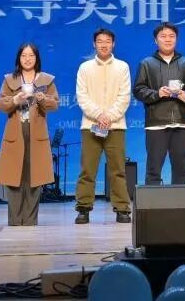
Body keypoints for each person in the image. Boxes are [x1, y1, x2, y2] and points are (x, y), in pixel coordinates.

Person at [133, 22, 185, 186]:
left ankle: (178, 203)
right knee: (153, 170)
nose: (168, 39)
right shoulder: (146, 63)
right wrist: (157, 94)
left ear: (176, 39)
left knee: (181, 171)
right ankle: (152, 203)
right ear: (155, 40)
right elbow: (138, 90)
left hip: (182, 123)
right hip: (156, 124)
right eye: (163, 36)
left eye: (171, 36)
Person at [0, 43, 58, 226]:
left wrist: (43, 99)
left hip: (36, 131)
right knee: (14, 176)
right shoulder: (10, 80)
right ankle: (15, 220)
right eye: (24, 55)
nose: (28, 59)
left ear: (37, 58)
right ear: (19, 58)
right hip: (16, 130)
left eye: (31, 55)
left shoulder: (46, 80)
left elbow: (55, 104)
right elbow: (0, 104)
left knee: (35, 177)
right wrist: (15, 99)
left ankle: (30, 220)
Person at [74, 28, 132, 224]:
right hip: (90, 126)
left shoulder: (122, 67)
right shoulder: (85, 68)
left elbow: (124, 97)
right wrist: (99, 115)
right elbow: (82, 97)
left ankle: (122, 209)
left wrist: (109, 117)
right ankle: (83, 208)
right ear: (94, 44)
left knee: (118, 170)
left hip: (116, 126)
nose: (104, 44)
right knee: (87, 170)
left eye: (107, 41)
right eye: (100, 41)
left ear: (113, 44)